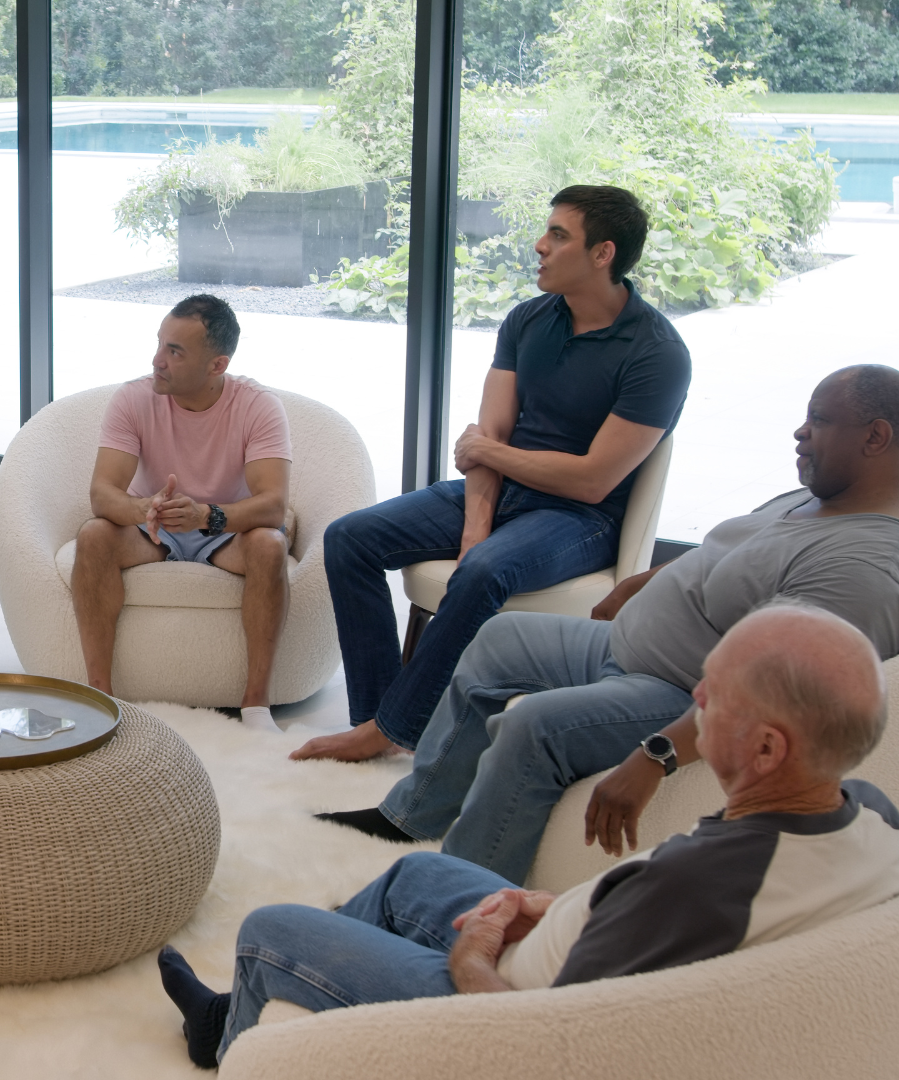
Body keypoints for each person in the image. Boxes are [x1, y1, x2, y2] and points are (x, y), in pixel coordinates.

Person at [159, 604, 899, 1070]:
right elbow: (661, 920)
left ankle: (234, 1043)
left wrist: (475, 957)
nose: (692, 701)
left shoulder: (707, 883)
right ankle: (273, 997)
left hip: (504, 1005)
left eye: (714, 694)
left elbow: (546, 1040)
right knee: (411, 878)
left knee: (269, 930)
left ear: (768, 750)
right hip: (576, 946)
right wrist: (574, 907)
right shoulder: (867, 814)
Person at [317, 366, 899, 884]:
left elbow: (779, 695)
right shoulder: (810, 497)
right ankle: (411, 813)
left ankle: (455, 898)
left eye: (818, 421)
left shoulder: (862, 567)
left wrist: (657, 756)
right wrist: (640, 583)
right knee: (498, 638)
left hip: (673, 690)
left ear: (876, 437)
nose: (800, 433)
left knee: (536, 726)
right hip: (626, 645)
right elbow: (730, 555)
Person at [294, 185, 690, 765]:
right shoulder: (528, 319)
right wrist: (478, 522)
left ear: (603, 254)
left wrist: (490, 458)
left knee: (483, 571)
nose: (540, 244)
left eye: (558, 235)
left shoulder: (657, 353)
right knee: (350, 537)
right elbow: (490, 438)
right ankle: (373, 715)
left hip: (579, 518)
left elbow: (591, 481)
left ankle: (395, 729)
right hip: (502, 494)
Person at [71, 295, 292, 728]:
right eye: (159, 344)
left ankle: (255, 706)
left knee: (269, 545)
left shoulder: (258, 406)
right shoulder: (133, 399)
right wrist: (142, 507)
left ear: (217, 365)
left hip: (224, 526)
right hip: (154, 528)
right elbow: (102, 493)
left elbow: (273, 503)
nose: (157, 361)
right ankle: (100, 696)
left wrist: (208, 515)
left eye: (175, 351)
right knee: (94, 535)